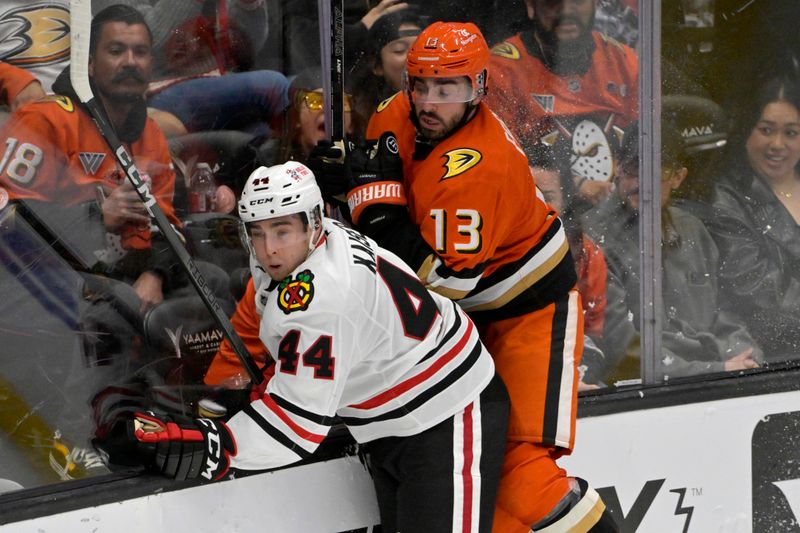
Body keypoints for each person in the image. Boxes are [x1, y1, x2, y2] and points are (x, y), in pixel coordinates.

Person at [314, 21, 617, 532]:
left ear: (477, 88)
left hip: (527, 312)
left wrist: (370, 203)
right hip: (464, 313)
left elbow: (439, 287)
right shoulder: (393, 114)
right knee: (466, 464)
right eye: (421, 84)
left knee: (520, 469)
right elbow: (387, 184)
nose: (429, 101)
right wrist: (345, 176)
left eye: (447, 88)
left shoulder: (482, 167)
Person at [131, 161, 510, 533]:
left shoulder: (324, 298)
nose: (268, 250)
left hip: (449, 411)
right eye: (257, 233)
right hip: (394, 413)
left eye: (281, 231)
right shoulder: (317, 241)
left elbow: (296, 425)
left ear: (313, 221)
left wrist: (218, 447)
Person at [0, 5, 184, 311]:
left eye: (140, 52)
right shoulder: (44, 121)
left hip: (126, 276)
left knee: (213, 280)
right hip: (48, 283)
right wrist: (97, 216)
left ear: (151, 65)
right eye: (115, 50)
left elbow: (169, 224)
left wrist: (155, 274)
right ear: (88, 64)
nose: (129, 62)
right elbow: (7, 218)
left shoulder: (152, 135)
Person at [583, 122, 762, 380]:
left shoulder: (692, 229)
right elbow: (621, 350)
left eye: (659, 172)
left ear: (679, 177)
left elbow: (725, 314)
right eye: (634, 169)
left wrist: (748, 358)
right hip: (641, 391)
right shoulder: (592, 239)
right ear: (618, 167)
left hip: (712, 377)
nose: (643, 183)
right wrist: (715, 371)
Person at [486, 0, 638, 206]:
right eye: (553, 2)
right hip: (542, 211)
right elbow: (496, 167)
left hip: (618, 215)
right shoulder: (501, 71)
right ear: (531, 7)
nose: (566, 11)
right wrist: (570, 183)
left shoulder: (625, 62)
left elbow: (648, 150)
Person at [703, 76, 800, 359]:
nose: (777, 144)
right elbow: (760, 292)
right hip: (774, 356)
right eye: (766, 130)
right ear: (746, 131)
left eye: (791, 133)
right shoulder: (723, 200)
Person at [348, 7, 424, 128]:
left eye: (419, 48)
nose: (413, 58)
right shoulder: (358, 120)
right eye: (399, 50)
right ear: (376, 66)